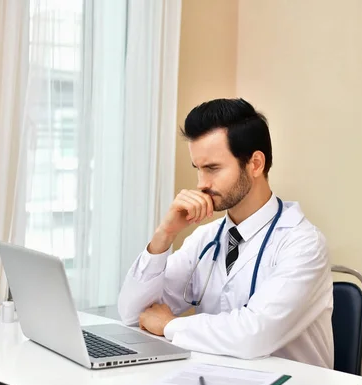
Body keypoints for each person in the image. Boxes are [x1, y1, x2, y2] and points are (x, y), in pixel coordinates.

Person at [117, 98, 334, 368]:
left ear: (255, 164)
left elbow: (255, 335)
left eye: (213, 169)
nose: (201, 185)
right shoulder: (207, 238)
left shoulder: (303, 244)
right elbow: (133, 314)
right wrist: (165, 234)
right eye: (198, 169)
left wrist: (171, 326)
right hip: (217, 382)